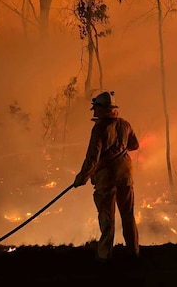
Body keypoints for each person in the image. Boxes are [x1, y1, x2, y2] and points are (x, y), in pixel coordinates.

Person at [73, 90, 140, 262]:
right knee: (128, 215)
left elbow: (92, 158)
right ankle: (133, 252)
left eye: (95, 109)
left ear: (102, 109)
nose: (94, 112)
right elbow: (134, 145)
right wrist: (120, 148)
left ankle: (104, 256)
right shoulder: (125, 125)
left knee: (107, 218)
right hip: (126, 175)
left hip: (106, 179)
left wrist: (82, 177)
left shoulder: (99, 128)